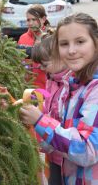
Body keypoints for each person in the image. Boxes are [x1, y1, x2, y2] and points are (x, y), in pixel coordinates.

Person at [20, 13, 98, 185]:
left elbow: (86, 149)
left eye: (80, 41)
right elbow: (58, 133)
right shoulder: (69, 85)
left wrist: (40, 122)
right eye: (64, 44)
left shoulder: (95, 89)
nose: (71, 50)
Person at [31, 35, 68, 185]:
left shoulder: (69, 84)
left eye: (44, 64)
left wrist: (40, 121)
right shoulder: (52, 79)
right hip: (53, 152)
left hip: (65, 154)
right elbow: (48, 104)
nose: (41, 68)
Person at [17, 4, 54, 89]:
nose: (30, 23)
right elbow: (19, 62)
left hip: (46, 87)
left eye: (34, 19)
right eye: (28, 20)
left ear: (43, 19)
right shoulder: (23, 38)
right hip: (28, 87)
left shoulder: (50, 37)